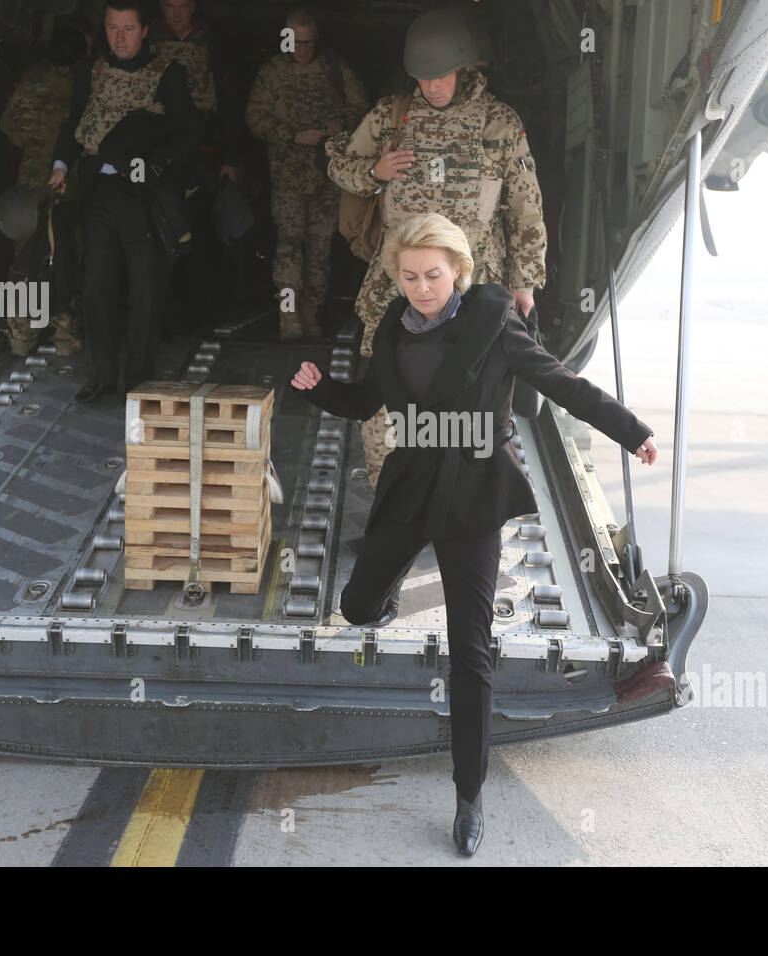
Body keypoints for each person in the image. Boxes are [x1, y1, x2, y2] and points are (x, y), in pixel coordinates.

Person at [289, 213, 658, 857]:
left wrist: (631, 430)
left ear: (458, 270)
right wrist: (321, 390)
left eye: (433, 274)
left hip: (473, 490)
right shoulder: (389, 330)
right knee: (356, 608)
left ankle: (468, 796)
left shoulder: (494, 322)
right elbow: (365, 403)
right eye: (409, 276)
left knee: (471, 649)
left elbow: (561, 383)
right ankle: (390, 580)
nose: (421, 288)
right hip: (410, 483)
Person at [325, 7, 546, 486]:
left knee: (472, 403)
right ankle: (393, 509)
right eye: (422, 78)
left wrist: (525, 284)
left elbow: (525, 210)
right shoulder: (393, 114)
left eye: (441, 76)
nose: (433, 87)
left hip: (475, 284)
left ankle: (457, 507)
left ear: (465, 67)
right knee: (387, 400)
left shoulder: (498, 123)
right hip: (400, 286)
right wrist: (373, 173)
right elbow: (338, 165)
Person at [49, 0, 200, 403]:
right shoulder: (92, 71)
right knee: (96, 286)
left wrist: (155, 167)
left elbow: (188, 134)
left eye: (128, 28)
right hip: (99, 191)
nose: (119, 37)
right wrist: (62, 164)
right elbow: (74, 121)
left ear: (145, 30)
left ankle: (137, 378)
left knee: (144, 289)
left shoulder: (168, 75)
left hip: (142, 197)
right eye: (113, 27)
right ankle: (100, 374)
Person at [246, 8, 368, 339]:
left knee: (320, 247)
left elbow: (361, 109)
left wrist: (340, 125)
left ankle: (311, 311)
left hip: (326, 177)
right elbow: (255, 117)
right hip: (288, 178)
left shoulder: (335, 70)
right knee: (288, 245)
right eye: (295, 42)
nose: (302, 49)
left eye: (309, 42)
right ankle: (288, 316)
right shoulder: (272, 72)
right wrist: (292, 136)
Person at [148, 0, 240, 335]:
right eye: (170, 6)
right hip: (159, 152)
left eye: (183, 6)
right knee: (160, 234)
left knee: (202, 233)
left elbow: (230, 100)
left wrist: (230, 157)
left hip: (203, 153)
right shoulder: (145, 39)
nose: (176, 14)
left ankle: (201, 317)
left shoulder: (213, 43)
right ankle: (166, 318)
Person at [0, 22, 88, 356]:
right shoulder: (82, 84)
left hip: (32, 177)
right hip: (69, 177)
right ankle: (65, 335)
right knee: (65, 252)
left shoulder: (31, 79)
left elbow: (9, 127)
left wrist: (35, 142)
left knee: (26, 255)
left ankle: (21, 337)